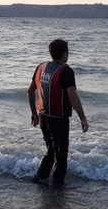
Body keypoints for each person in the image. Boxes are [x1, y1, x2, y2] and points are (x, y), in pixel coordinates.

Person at [27, 39, 89, 186]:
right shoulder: (66, 71)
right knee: (61, 154)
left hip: (43, 117)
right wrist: (83, 119)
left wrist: (33, 113)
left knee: (50, 149)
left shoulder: (41, 68)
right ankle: (58, 186)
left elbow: (30, 91)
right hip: (58, 120)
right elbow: (73, 97)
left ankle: (40, 178)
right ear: (64, 54)